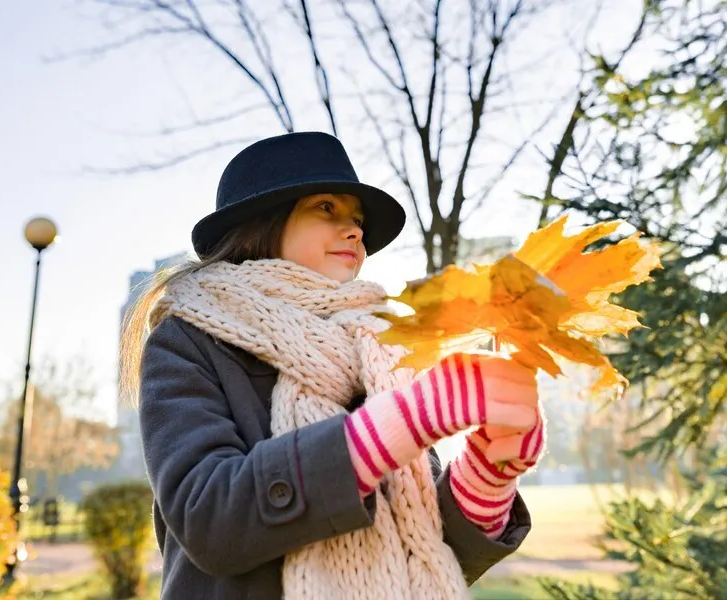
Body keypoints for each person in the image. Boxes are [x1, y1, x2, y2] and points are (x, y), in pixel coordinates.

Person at [120, 132, 546, 599]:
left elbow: (426, 555)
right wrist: (402, 423)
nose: (356, 231)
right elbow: (210, 522)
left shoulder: (380, 349)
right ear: (262, 223)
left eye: (358, 220)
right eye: (327, 208)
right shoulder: (188, 338)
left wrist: (487, 475)